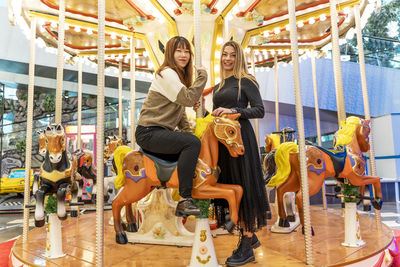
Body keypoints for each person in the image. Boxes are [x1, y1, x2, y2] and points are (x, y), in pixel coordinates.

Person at [135, 36, 207, 217]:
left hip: (159, 132)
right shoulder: (166, 73)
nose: (184, 55)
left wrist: (189, 133)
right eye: (178, 51)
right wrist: (203, 77)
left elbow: (181, 111)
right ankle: (184, 199)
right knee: (191, 144)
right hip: (149, 132)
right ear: (170, 53)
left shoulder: (177, 77)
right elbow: (189, 99)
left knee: (193, 145)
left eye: (186, 51)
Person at [211, 40, 268, 266]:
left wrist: (235, 111)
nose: (227, 59)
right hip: (223, 140)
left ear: (239, 57)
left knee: (243, 187)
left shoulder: (246, 81)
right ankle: (248, 236)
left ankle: (246, 244)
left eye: (232, 55)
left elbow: (260, 110)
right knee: (230, 186)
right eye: (224, 54)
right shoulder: (218, 85)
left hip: (240, 138)